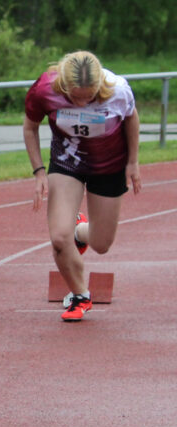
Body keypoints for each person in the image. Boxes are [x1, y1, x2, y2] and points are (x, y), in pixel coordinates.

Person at [22, 50, 141, 322]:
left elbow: (131, 118)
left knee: (101, 244)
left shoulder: (118, 90)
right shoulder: (44, 90)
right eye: (76, 97)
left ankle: (81, 233)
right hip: (67, 164)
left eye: (91, 96)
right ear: (63, 85)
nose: (84, 102)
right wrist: (39, 172)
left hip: (108, 167)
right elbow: (30, 127)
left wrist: (133, 162)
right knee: (58, 238)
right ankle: (80, 295)